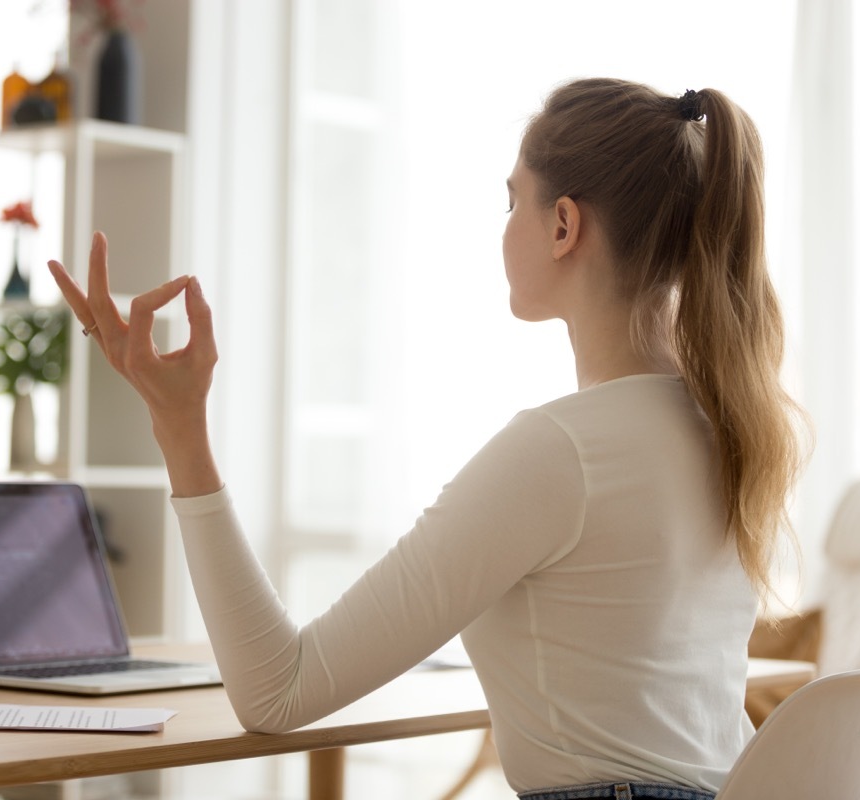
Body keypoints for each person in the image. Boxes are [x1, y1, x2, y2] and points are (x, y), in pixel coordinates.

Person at [48, 77, 805, 800]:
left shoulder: (560, 452)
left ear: (564, 225)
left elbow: (277, 690)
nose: (505, 227)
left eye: (513, 200)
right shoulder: (728, 431)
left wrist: (179, 427)